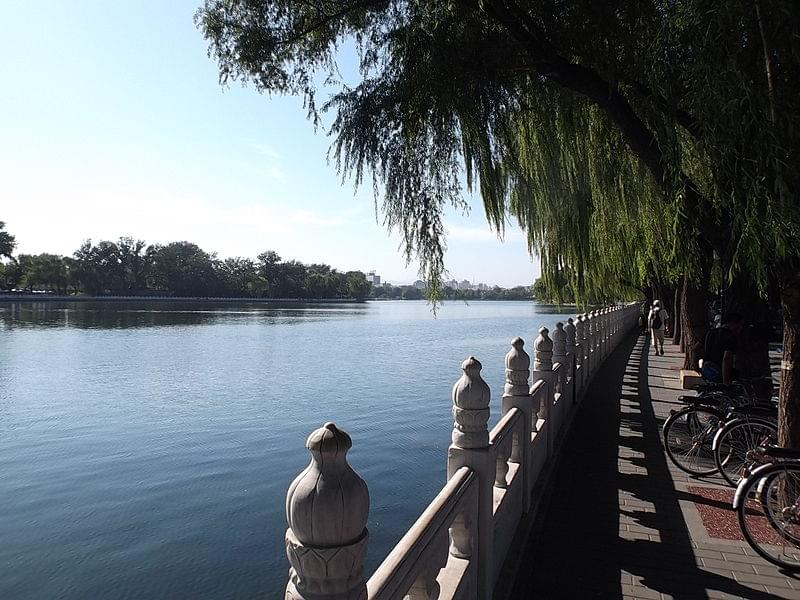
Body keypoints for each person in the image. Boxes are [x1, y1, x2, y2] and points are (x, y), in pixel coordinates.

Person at [701, 313, 744, 384]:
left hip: (707, 371)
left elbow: (695, 349)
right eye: (740, 325)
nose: (741, 328)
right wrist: (726, 381)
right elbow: (726, 359)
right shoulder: (730, 337)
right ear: (733, 323)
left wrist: (697, 368)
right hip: (720, 373)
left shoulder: (710, 333)